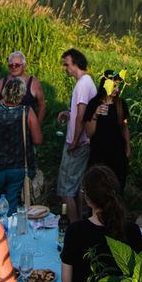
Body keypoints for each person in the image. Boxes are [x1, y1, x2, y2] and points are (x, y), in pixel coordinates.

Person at [0, 76, 42, 208]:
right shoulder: (26, 111)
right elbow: (38, 140)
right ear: (22, 94)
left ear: (5, 91)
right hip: (19, 166)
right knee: (13, 204)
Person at [53, 48, 96, 225]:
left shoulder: (83, 84)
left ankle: (73, 226)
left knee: (65, 189)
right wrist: (68, 113)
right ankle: (79, 222)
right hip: (81, 142)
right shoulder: (85, 83)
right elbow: (78, 114)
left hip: (78, 143)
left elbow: (82, 116)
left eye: (67, 64)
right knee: (77, 186)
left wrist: (75, 141)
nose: (66, 68)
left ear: (76, 64)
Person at [83, 69, 130, 188]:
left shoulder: (121, 104)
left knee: (117, 190)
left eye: (117, 86)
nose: (117, 89)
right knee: (99, 189)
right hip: (99, 156)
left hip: (118, 156)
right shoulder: (94, 104)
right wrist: (95, 115)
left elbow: (125, 127)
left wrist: (127, 149)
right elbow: (89, 133)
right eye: (114, 86)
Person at [0, 50, 46, 125]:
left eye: (17, 65)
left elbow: (42, 105)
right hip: (3, 125)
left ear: (24, 66)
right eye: (11, 65)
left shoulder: (34, 83)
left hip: (25, 125)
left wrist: (37, 125)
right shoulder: (2, 81)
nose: (14, 67)